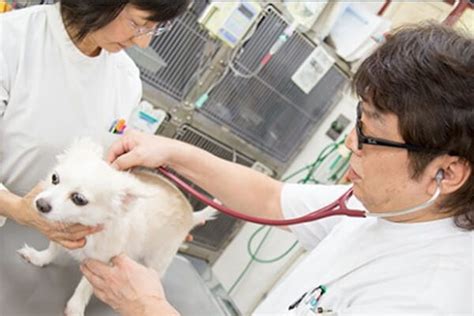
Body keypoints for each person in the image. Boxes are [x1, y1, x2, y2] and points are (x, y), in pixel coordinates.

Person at [83, 22, 474, 315]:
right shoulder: (387, 206)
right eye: (360, 119)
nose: (351, 142)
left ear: (447, 173)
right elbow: (271, 198)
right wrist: (170, 151)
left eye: (371, 133)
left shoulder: (427, 299)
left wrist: (149, 307)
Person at [0, 0, 189, 249]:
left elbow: (108, 173)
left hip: (57, 238)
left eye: (155, 28)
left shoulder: (127, 79)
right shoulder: (11, 40)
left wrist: (161, 222)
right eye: (138, 23)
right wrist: (17, 209)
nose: (143, 42)